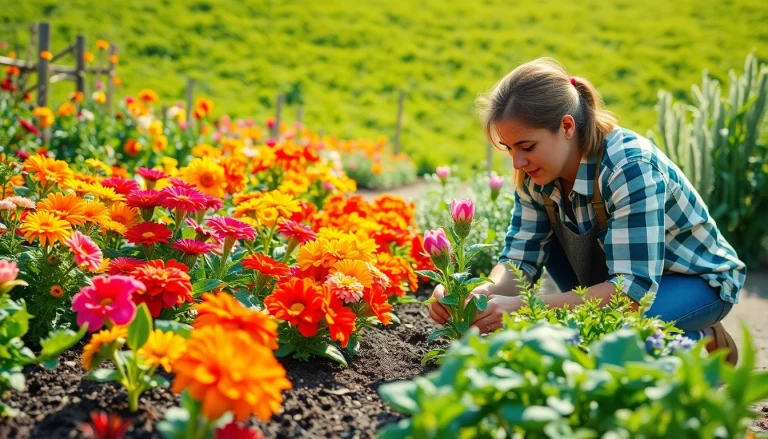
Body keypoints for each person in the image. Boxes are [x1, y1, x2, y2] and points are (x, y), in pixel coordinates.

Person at [428, 58, 745, 363]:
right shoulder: (536, 175)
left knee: (608, 346)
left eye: (527, 147)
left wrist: (524, 307)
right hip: (621, 280)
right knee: (577, 338)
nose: (517, 162)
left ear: (566, 126)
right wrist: (479, 296)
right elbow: (518, 260)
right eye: (509, 148)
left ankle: (698, 340)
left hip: (694, 282)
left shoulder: (629, 168)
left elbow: (631, 293)